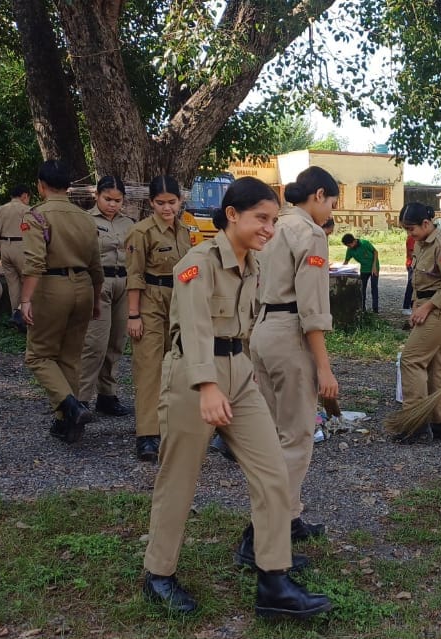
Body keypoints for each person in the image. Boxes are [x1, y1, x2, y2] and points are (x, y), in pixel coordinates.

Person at [141, 176, 331, 619]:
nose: (269, 228)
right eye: (261, 218)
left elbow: (241, 332)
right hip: (193, 374)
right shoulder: (198, 261)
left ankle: (274, 580)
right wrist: (208, 386)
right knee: (180, 478)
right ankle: (158, 574)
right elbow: (194, 328)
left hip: (239, 373)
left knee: (272, 473)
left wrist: (233, 378)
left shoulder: (255, 264)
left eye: (273, 219)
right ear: (232, 215)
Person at [251, 166, 339, 542]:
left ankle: (289, 517)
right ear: (319, 195)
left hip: (261, 330)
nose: (332, 212)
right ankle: (269, 529)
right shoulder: (309, 233)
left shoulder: (269, 227)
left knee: (272, 435)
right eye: (332, 202)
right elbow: (312, 308)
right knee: (298, 436)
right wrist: (324, 368)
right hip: (290, 336)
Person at [20, 160, 103, 444]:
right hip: (84, 287)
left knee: (39, 355)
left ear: (40, 185)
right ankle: (68, 425)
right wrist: (96, 298)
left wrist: (25, 300)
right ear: (69, 186)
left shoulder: (37, 216)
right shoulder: (85, 217)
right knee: (70, 357)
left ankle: (71, 406)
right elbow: (96, 264)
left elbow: (33, 262)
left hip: (51, 287)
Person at [125, 176, 193, 457]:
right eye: (161, 203)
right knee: (149, 366)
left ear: (180, 202)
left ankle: (171, 427)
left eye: (172, 202)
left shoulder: (184, 231)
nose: (167, 208)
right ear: (151, 203)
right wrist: (133, 315)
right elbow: (135, 275)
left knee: (176, 366)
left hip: (178, 301)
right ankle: (147, 434)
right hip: (150, 300)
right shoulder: (141, 232)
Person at [394, 202, 441, 444]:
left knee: (412, 360)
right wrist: (416, 305)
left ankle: (416, 425)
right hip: (428, 307)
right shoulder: (423, 244)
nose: (409, 234)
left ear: (426, 224)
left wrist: (426, 307)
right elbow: (419, 281)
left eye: (411, 229)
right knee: (437, 366)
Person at [77, 176, 135, 429]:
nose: (112, 204)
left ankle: (107, 395)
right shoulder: (85, 221)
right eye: (107, 199)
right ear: (97, 197)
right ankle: (79, 400)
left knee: (116, 343)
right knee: (94, 344)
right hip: (98, 285)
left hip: (124, 283)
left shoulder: (129, 223)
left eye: (117, 200)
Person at [0, 185, 31, 331]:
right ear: (24, 195)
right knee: (29, 282)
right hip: (21, 246)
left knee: (13, 285)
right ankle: (26, 317)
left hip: (5, 247)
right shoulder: (26, 210)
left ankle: (15, 316)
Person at [341, 232, 380, 313]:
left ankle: (375, 309)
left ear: (354, 241)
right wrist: (340, 271)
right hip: (364, 269)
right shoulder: (350, 249)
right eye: (347, 246)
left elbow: (375, 252)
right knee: (362, 289)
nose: (349, 247)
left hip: (374, 267)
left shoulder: (365, 243)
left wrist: (374, 266)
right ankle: (362, 308)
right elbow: (346, 261)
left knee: (374, 288)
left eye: (349, 245)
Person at [401, 233, 416, 316]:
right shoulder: (412, 237)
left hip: (416, 264)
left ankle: (412, 306)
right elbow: (411, 253)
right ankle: (406, 306)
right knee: (411, 285)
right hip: (412, 264)